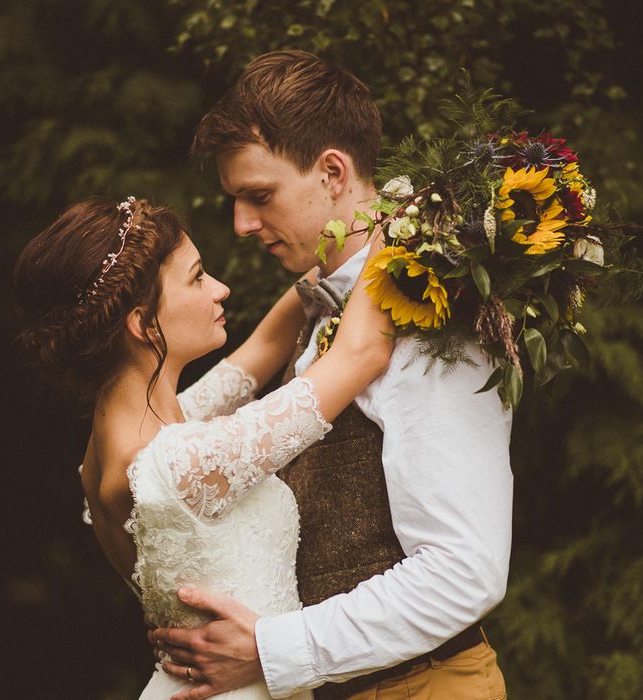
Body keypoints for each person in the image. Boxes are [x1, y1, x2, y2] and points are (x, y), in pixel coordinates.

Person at [149, 51, 513, 700]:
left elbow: (466, 570)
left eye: (260, 197)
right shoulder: (317, 308)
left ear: (334, 172)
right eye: (236, 201)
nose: (242, 225)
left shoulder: (432, 318)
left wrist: (275, 649)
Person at [13, 195, 393, 699]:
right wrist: (401, 229)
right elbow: (362, 352)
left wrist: (342, 251)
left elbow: (262, 348)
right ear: (144, 324)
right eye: (196, 278)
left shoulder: (120, 447)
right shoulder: (182, 463)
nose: (221, 288)